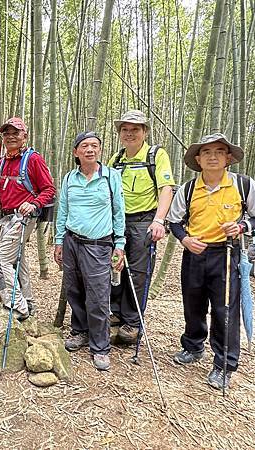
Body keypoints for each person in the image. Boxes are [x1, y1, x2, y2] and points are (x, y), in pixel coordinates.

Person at [167, 133, 255, 390]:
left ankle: (224, 364)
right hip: (195, 253)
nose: (213, 156)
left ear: (228, 158)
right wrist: (185, 240)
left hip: (226, 254)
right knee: (193, 304)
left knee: (224, 311)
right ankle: (192, 346)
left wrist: (242, 225)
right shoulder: (189, 189)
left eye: (219, 152)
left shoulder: (242, 185)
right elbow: (174, 222)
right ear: (198, 159)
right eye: (207, 152)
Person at [54, 132, 125, 371]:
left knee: (97, 295)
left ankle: (101, 346)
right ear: (76, 152)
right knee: (74, 289)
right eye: (84, 146)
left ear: (100, 150)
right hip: (72, 241)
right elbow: (62, 211)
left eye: (95, 145)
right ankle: (80, 331)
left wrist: (120, 244)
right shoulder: (68, 178)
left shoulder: (110, 177)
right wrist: (59, 241)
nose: (90, 150)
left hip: (98, 244)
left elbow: (118, 212)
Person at [107, 110, 175, 344]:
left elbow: (166, 188)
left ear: (144, 131)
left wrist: (159, 220)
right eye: (125, 129)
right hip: (116, 220)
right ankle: (115, 312)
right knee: (115, 268)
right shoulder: (116, 159)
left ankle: (133, 321)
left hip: (144, 221)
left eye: (135, 129)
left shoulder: (156, 155)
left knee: (138, 272)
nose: (129, 133)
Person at [0, 117, 56, 320]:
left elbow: (49, 189)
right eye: (6, 133)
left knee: (0, 259)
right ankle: (28, 300)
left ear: (25, 135)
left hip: (23, 218)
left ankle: (16, 306)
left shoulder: (33, 159)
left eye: (15, 132)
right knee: (17, 260)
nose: (11, 137)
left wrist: (33, 203)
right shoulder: (3, 160)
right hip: (6, 218)